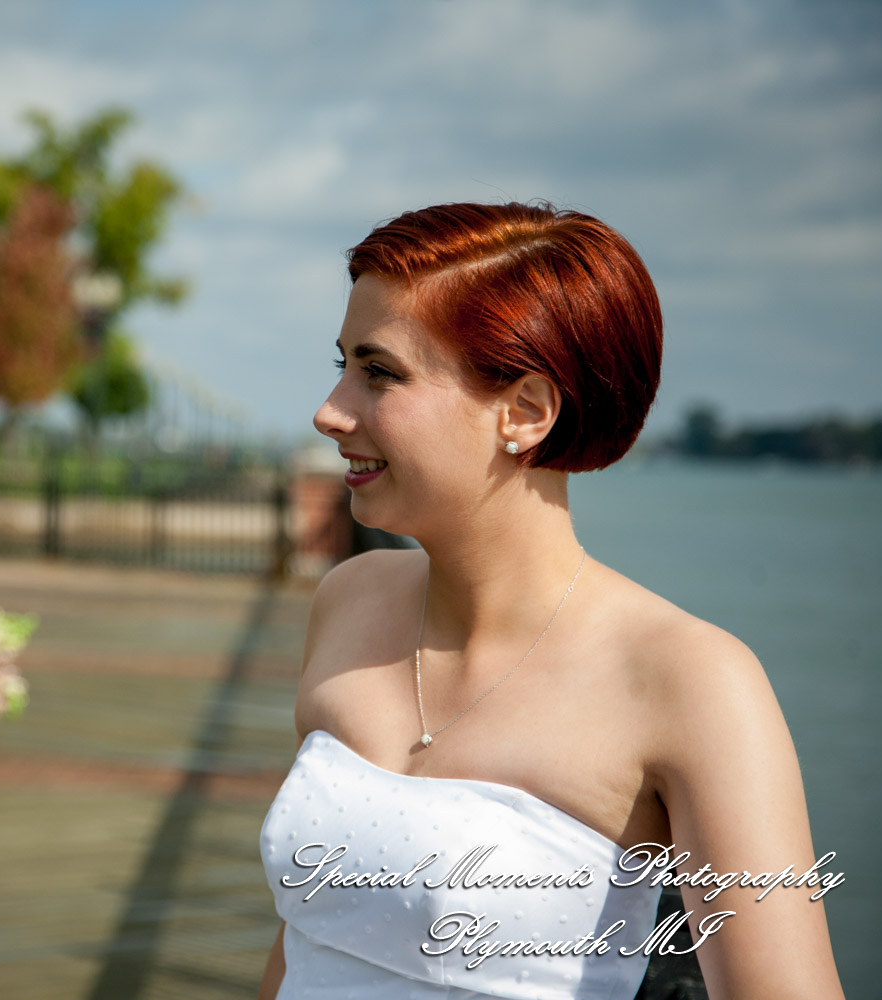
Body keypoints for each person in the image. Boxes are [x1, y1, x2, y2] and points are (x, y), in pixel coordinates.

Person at [257, 203, 844, 999]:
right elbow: (307, 936)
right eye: (342, 366)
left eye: (380, 373)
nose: (330, 412)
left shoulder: (691, 681)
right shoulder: (350, 602)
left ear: (525, 412)